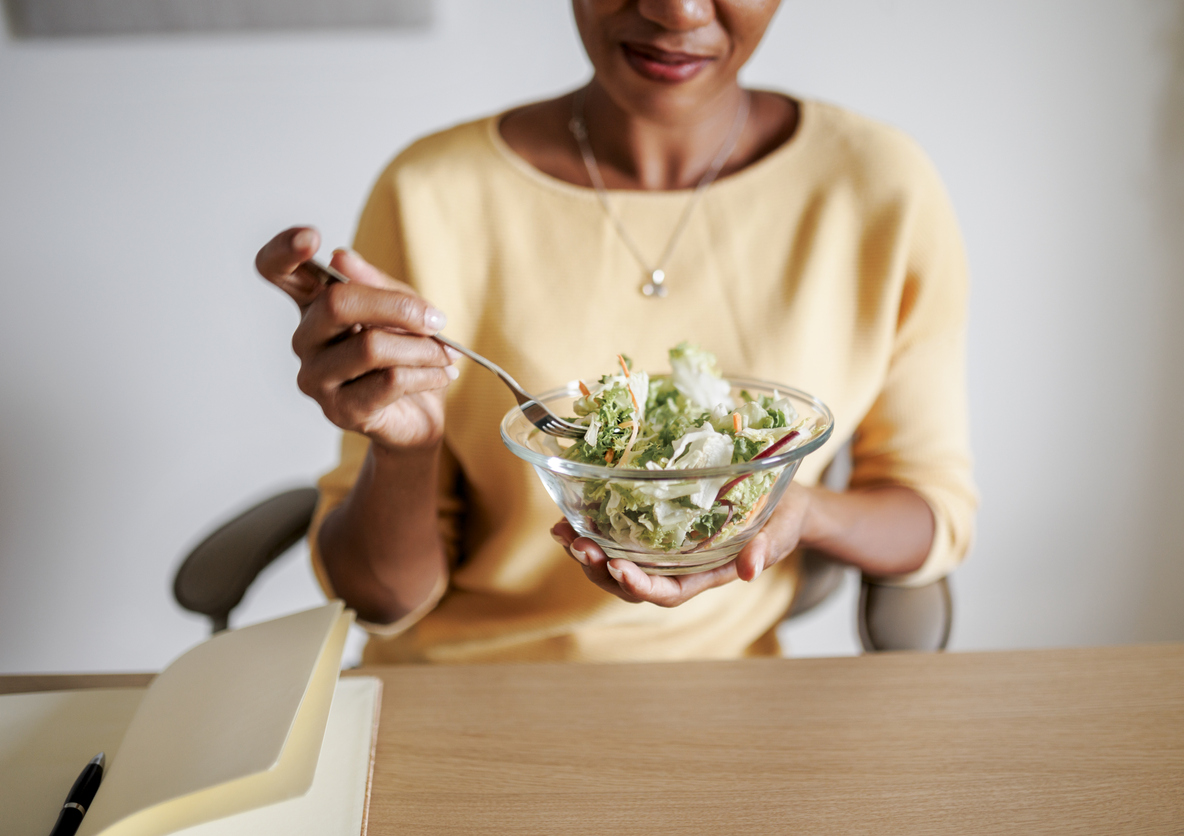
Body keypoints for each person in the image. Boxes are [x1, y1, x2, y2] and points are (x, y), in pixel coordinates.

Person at [255, 0, 976, 664]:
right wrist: (403, 450)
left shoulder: (878, 187)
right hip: (459, 689)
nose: (677, 11)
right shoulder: (430, 192)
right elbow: (376, 599)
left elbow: (930, 512)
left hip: (726, 707)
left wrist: (800, 510)